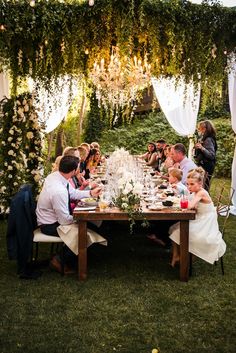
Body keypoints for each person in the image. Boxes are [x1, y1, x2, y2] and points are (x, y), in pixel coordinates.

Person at [36, 155, 102, 274]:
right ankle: (59, 260)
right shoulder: (58, 191)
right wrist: (83, 218)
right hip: (49, 225)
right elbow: (64, 220)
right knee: (83, 232)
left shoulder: (57, 177)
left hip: (53, 219)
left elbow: (73, 193)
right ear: (72, 171)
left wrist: (91, 193)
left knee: (91, 225)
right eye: (77, 168)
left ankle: (78, 255)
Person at [169, 167, 226, 267]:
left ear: (200, 184)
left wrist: (180, 203)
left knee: (179, 231)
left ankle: (185, 258)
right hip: (199, 218)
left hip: (206, 222)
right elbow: (190, 201)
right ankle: (177, 255)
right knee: (173, 228)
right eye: (187, 184)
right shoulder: (196, 191)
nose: (189, 186)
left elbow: (190, 205)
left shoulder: (201, 193)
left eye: (191, 184)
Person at [194, 120, 217, 191]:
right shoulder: (204, 138)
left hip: (206, 166)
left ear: (204, 129)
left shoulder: (208, 139)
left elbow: (211, 155)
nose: (198, 130)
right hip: (204, 165)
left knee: (203, 187)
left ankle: (205, 201)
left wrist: (201, 148)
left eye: (199, 128)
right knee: (202, 186)